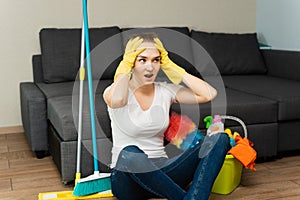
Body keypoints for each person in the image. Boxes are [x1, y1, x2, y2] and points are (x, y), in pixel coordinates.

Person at [103, 32, 230, 200]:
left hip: (165, 173)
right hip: (128, 179)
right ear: (130, 61)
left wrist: (171, 66)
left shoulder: (165, 90)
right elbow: (118, 99)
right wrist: (124, 67)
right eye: (142, 60)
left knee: (219, 139)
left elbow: (209, 93)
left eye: (156, 60)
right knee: (130, 153)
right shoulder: (113, 91)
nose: (150, 67)